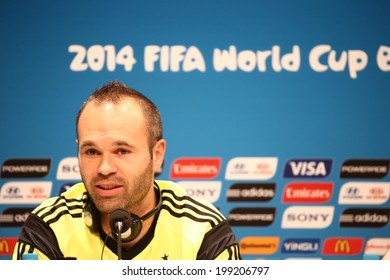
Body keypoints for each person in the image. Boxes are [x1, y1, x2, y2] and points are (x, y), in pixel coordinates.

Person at [12, 80, 241, 260]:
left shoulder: (203, 231)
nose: (104, 168)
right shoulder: (48, 227)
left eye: (122, 151)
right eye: (91, 152)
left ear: (157, 155)